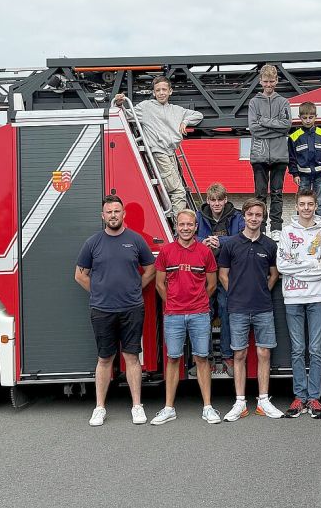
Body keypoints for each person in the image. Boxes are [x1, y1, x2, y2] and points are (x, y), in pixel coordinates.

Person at [75, 195, 156, 427]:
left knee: (131, 357)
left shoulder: (136, 241)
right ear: (103, 216)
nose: (113, 215)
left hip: (131, 309)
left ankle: (137, 406)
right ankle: (99, 407)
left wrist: (135, 288)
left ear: (123, 214)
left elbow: (150, 269)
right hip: (102, 310)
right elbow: (79, 275)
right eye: (109, 212)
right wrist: (99, 292)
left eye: (117, 211)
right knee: (104, 358)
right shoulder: (93, 243)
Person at [151, 210, 221, 425]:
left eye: (189, 224)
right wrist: (172, 302)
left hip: (199, 314)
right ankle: (169, 408)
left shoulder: (205, 252)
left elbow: (212, 284)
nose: (185, 228)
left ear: (196, 226)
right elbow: (159, 283)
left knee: (201, 358)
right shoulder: (166, 252)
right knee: (173, 359)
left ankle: (208, 407)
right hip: (173, 315)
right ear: (176, 227)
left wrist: (197, 301)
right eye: (181, 224)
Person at [217, 198, 284, 420]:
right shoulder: (231, 244)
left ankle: (263, 401)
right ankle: (240, 403)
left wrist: (264, 290)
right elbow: (223, 274)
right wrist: (234, 292)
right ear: (243, 216)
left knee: (264, 353)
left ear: (263, 218)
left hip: (263, 307)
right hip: (238, 308)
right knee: (240, 354)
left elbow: (274, 273)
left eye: (258, 215)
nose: (254, 218)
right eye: (250, 214)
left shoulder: (269, 245)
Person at [277, 189, 321, 418]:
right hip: (292, 298)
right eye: (303, 204)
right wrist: (310, 264)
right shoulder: (286, 232)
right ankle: (300, 396)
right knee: (298, 349)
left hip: (317, 298)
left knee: (315, 350)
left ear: (316, 206)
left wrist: (298, 266)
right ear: (297, 206)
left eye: (310, 204)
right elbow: (282, 266)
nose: (307, 208)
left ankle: (314, 399)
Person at [114, 76, 203, 213]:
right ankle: (178, 229)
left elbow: (198, 115)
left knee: (174, 190)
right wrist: (119, 104)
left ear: (170, 91)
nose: (161, 93)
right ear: (154, 93)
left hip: (172, 153)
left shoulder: (177, 110)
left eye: (164, 89)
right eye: (158, 90)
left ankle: (177, 223)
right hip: (158, 152)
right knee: (178, 192)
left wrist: (185, 121)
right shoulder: (146, 107)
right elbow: (126, 115)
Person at [197, 182, 245, 376]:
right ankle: (206, 358)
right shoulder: (199, 216)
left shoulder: (236, 216)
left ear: (226, 200)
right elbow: (190, 234)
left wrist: (221, 241)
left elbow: (242, 236)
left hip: (227, 272)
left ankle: (227, 356)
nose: (216, 204)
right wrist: (204, 241)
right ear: (208, 200)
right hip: (204, 273)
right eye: (213, 200)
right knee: (204, 312)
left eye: (220, 200)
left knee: (226, 310)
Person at [248, 64, 292, 241]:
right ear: (260, 81)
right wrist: (276, 126)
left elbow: (286, 126)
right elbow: (254, 129)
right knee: (259, 194)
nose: (268, 84)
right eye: (265, 81)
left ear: (277, 81)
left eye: (271, 81)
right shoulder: (254, 102)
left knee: (277, 192)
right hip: (259, 155)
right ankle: (261, 226)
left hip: (280, 155)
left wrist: (264, 121)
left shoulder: (283, 102)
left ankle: (276, 227)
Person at [288, 101, 321, 221]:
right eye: (304, 118)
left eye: (311, 117)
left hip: (320, 175)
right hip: (303, 176)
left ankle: (319, 227)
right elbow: (291, 158)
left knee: (320, 201)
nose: (308, 120)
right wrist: (295, 174)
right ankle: (301, 225)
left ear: (316, 117)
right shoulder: (294, 137)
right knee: (303, 201)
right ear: (299, 118)